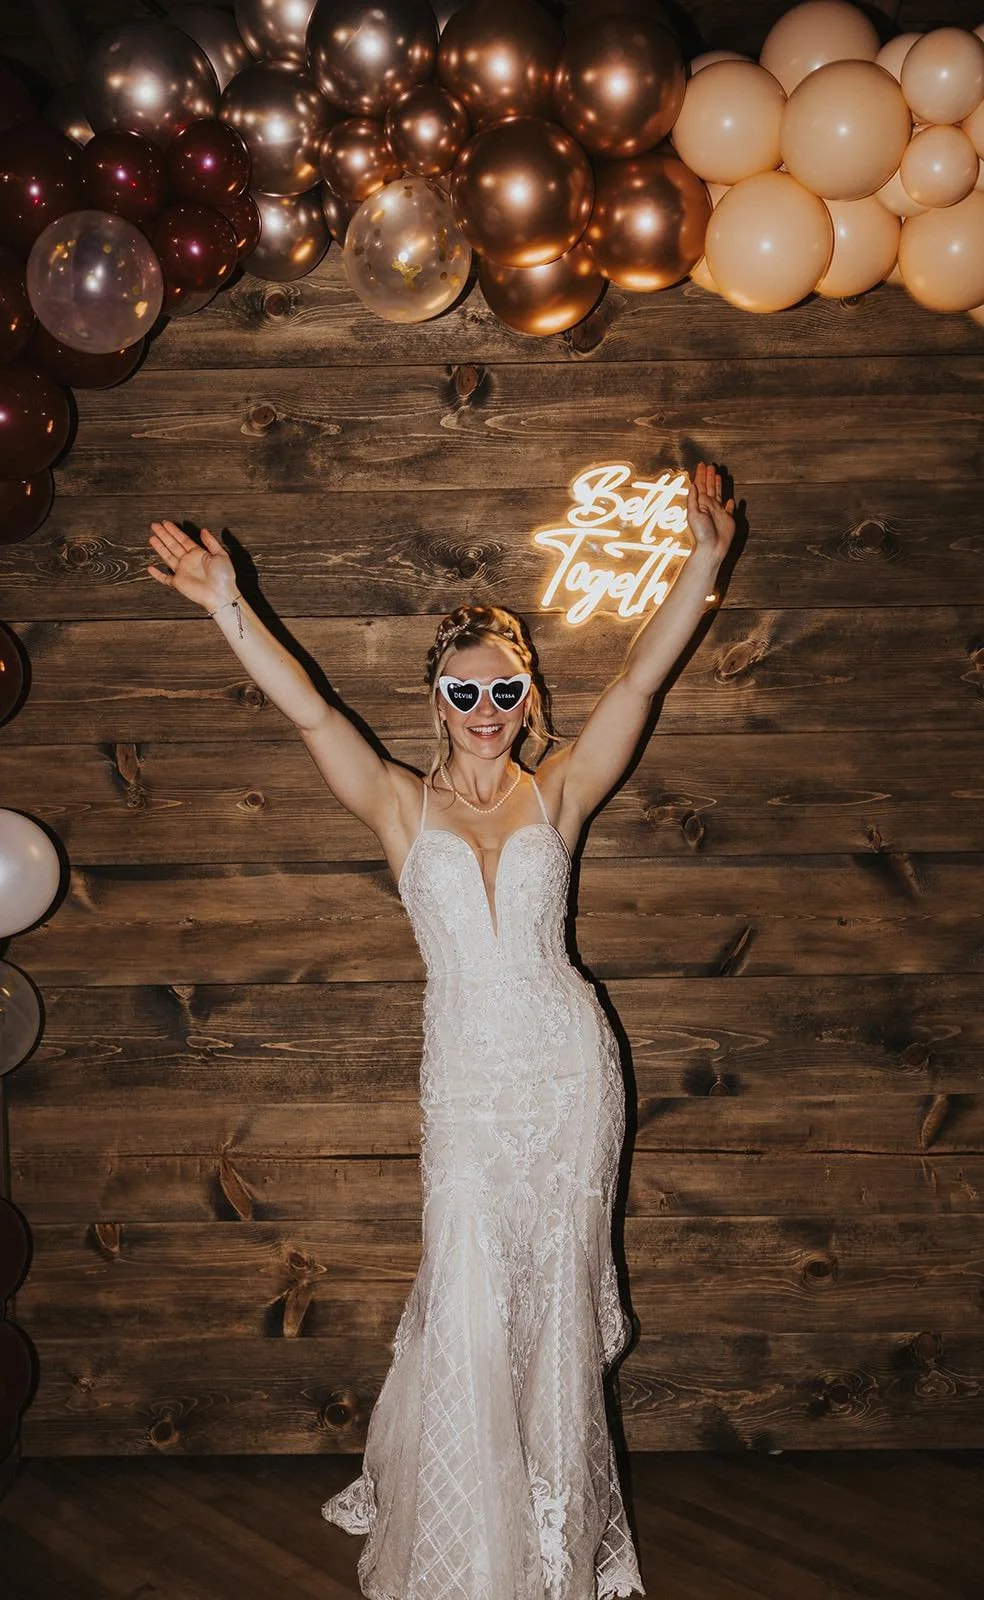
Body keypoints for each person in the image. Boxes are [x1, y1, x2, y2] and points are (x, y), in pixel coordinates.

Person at [147, 461, 737, 1600]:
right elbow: (312, 709)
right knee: (468, 1287)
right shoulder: (397, 805)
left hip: (569, 1072)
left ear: (529, 697)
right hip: (467, 1079)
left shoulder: (559, 791)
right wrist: (227, 604)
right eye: (465, 692)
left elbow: (639, 683)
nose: (486, 710)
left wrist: (704, 560)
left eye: (505, 689)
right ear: (437, 702)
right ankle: (469, 1548)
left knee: (552, 1296)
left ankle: (549, 1545)